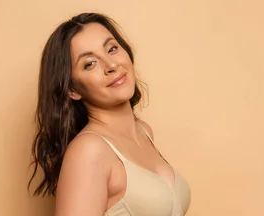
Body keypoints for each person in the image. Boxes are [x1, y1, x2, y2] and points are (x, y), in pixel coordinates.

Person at [27, 12, 191, 216]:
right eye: (90, 63)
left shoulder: (143, 131)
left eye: (112, 49)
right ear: (72, 90)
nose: (112, 65)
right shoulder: (89, 151)